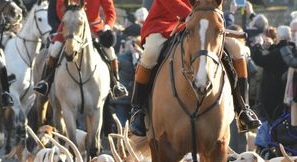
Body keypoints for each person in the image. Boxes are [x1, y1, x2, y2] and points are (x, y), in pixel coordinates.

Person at [129, 0, 261, 137]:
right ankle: (137, 110)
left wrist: (210, 15)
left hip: (204, 22)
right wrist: (191, 15)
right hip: (165, 23)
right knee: (150, 53)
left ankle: (242, 109)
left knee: (237, 49)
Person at [34, 0, 128, 99]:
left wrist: (108, 26)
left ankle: (116, 84)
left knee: (110, 53)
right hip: (71, 27)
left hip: (94, 28)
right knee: (54, 50)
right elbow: (60, 8)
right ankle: (45, 82)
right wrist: (71, 18)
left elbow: (110, 12)